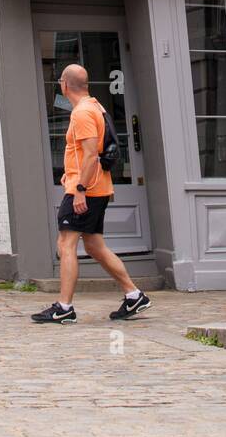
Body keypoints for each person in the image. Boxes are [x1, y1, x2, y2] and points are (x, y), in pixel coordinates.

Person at [32, 64, 151, 325]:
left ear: (64, 84)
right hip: (95, 186)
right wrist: (71, 173)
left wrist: (79, 190)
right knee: (95, 246)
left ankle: (64, 307)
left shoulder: (82, 113)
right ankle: (134, 295)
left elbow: (89, 154)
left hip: (85, 190)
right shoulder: (95, 105)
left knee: (66, 244)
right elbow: (87, 153)